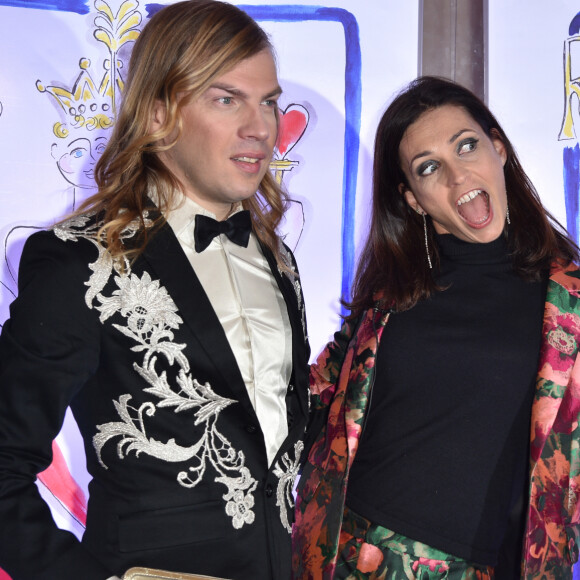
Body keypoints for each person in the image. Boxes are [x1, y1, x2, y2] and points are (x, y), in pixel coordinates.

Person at [0, 2, 310, 579]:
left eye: (268, 100)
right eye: (227, 99)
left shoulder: (277, 257)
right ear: (160, 111)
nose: (260, 127)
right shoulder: (79, 261)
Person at [292, 76, 580, 579]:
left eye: (467, 146)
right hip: (358, 555)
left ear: (499, 148)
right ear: (414, 199)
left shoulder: (569, 298)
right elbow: (314, 400)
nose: (456, 175)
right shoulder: (390, 295)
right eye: (429, 168)